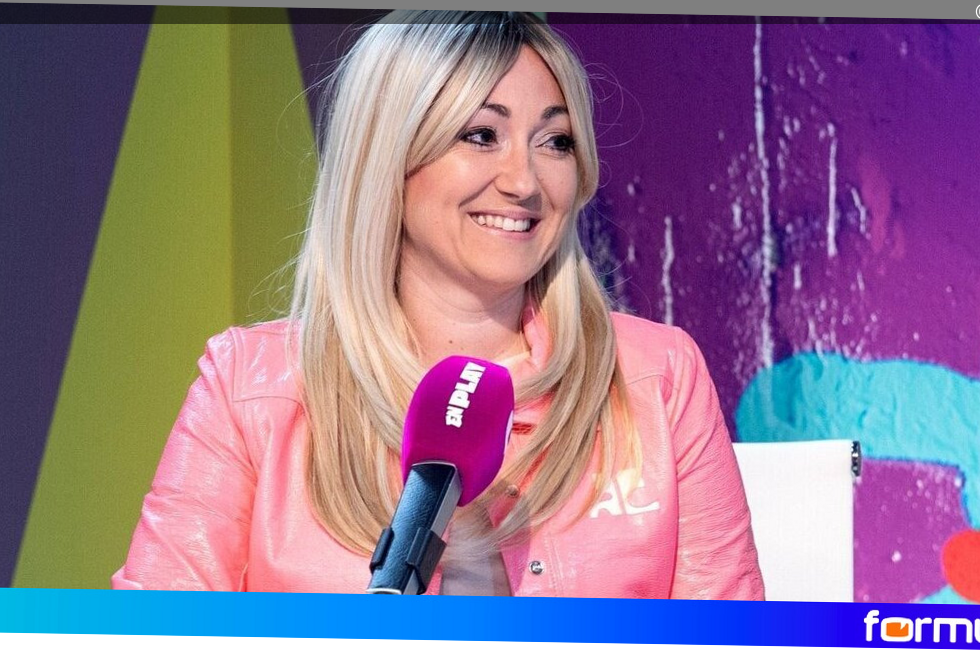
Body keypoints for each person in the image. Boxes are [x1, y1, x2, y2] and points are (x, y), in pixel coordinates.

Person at [112, 10, 764, 599]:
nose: (524, 182)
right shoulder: (249, 387)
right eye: (481, 135)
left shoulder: (656, 377)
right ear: (388, 156)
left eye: (556, 141)